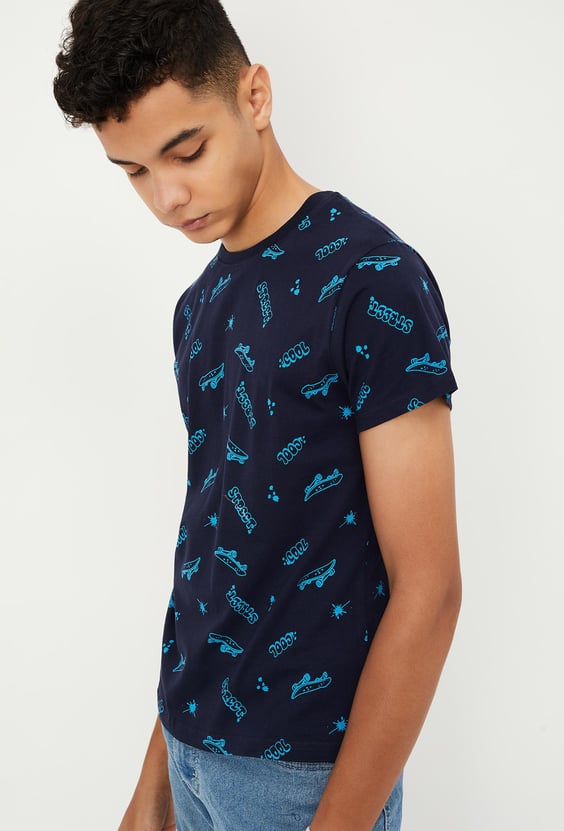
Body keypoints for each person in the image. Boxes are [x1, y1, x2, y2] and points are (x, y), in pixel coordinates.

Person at [53, 2, 462, 829]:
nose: (167, 196)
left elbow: (430, 590)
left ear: (255, 96)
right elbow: (217, 554)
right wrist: (155, 784)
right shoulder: (196, 307)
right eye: (133, 172)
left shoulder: (372, 282)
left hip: (301, 780)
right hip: (188, 754)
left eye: (187, 150)